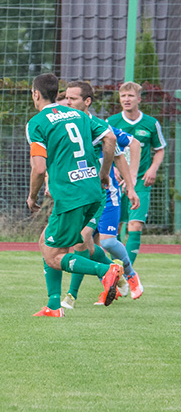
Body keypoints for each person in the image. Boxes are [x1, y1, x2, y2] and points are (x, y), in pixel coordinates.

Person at [26, 73, 123, 317]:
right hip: (93, 191)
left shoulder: (37, 123)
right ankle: (53, 305)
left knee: (53, 256)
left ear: (36, 94)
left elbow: (39, 168)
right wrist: (104, 172)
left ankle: (106, 271)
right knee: (47, 241)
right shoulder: (79, 115)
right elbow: (110, 138)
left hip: (71, 196)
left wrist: (32, 196)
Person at [60, 81, 142, 309]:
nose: (68, 102)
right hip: (78, 195)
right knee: (86, 245)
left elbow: (121, 154)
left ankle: (73, 295)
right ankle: (112, 274)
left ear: (87, 101)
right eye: (66, 98)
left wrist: (131, 185)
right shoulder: (64, 126)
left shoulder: (99, 126)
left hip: (102, 196)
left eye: (73, 98)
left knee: (88, 241)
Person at [106, 82, 166, 265]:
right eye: (123, 96)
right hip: (117, 180)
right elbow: (105, 150)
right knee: (115, 228)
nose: (126, 99)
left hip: (140, 181)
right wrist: (113, 168)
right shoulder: (111, 122)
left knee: (135, 225)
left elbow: (160, 149)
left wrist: (152, 169)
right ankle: (116, 270)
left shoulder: (151, 123)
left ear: (139, 99)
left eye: (130, 96)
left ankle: (127, 270)